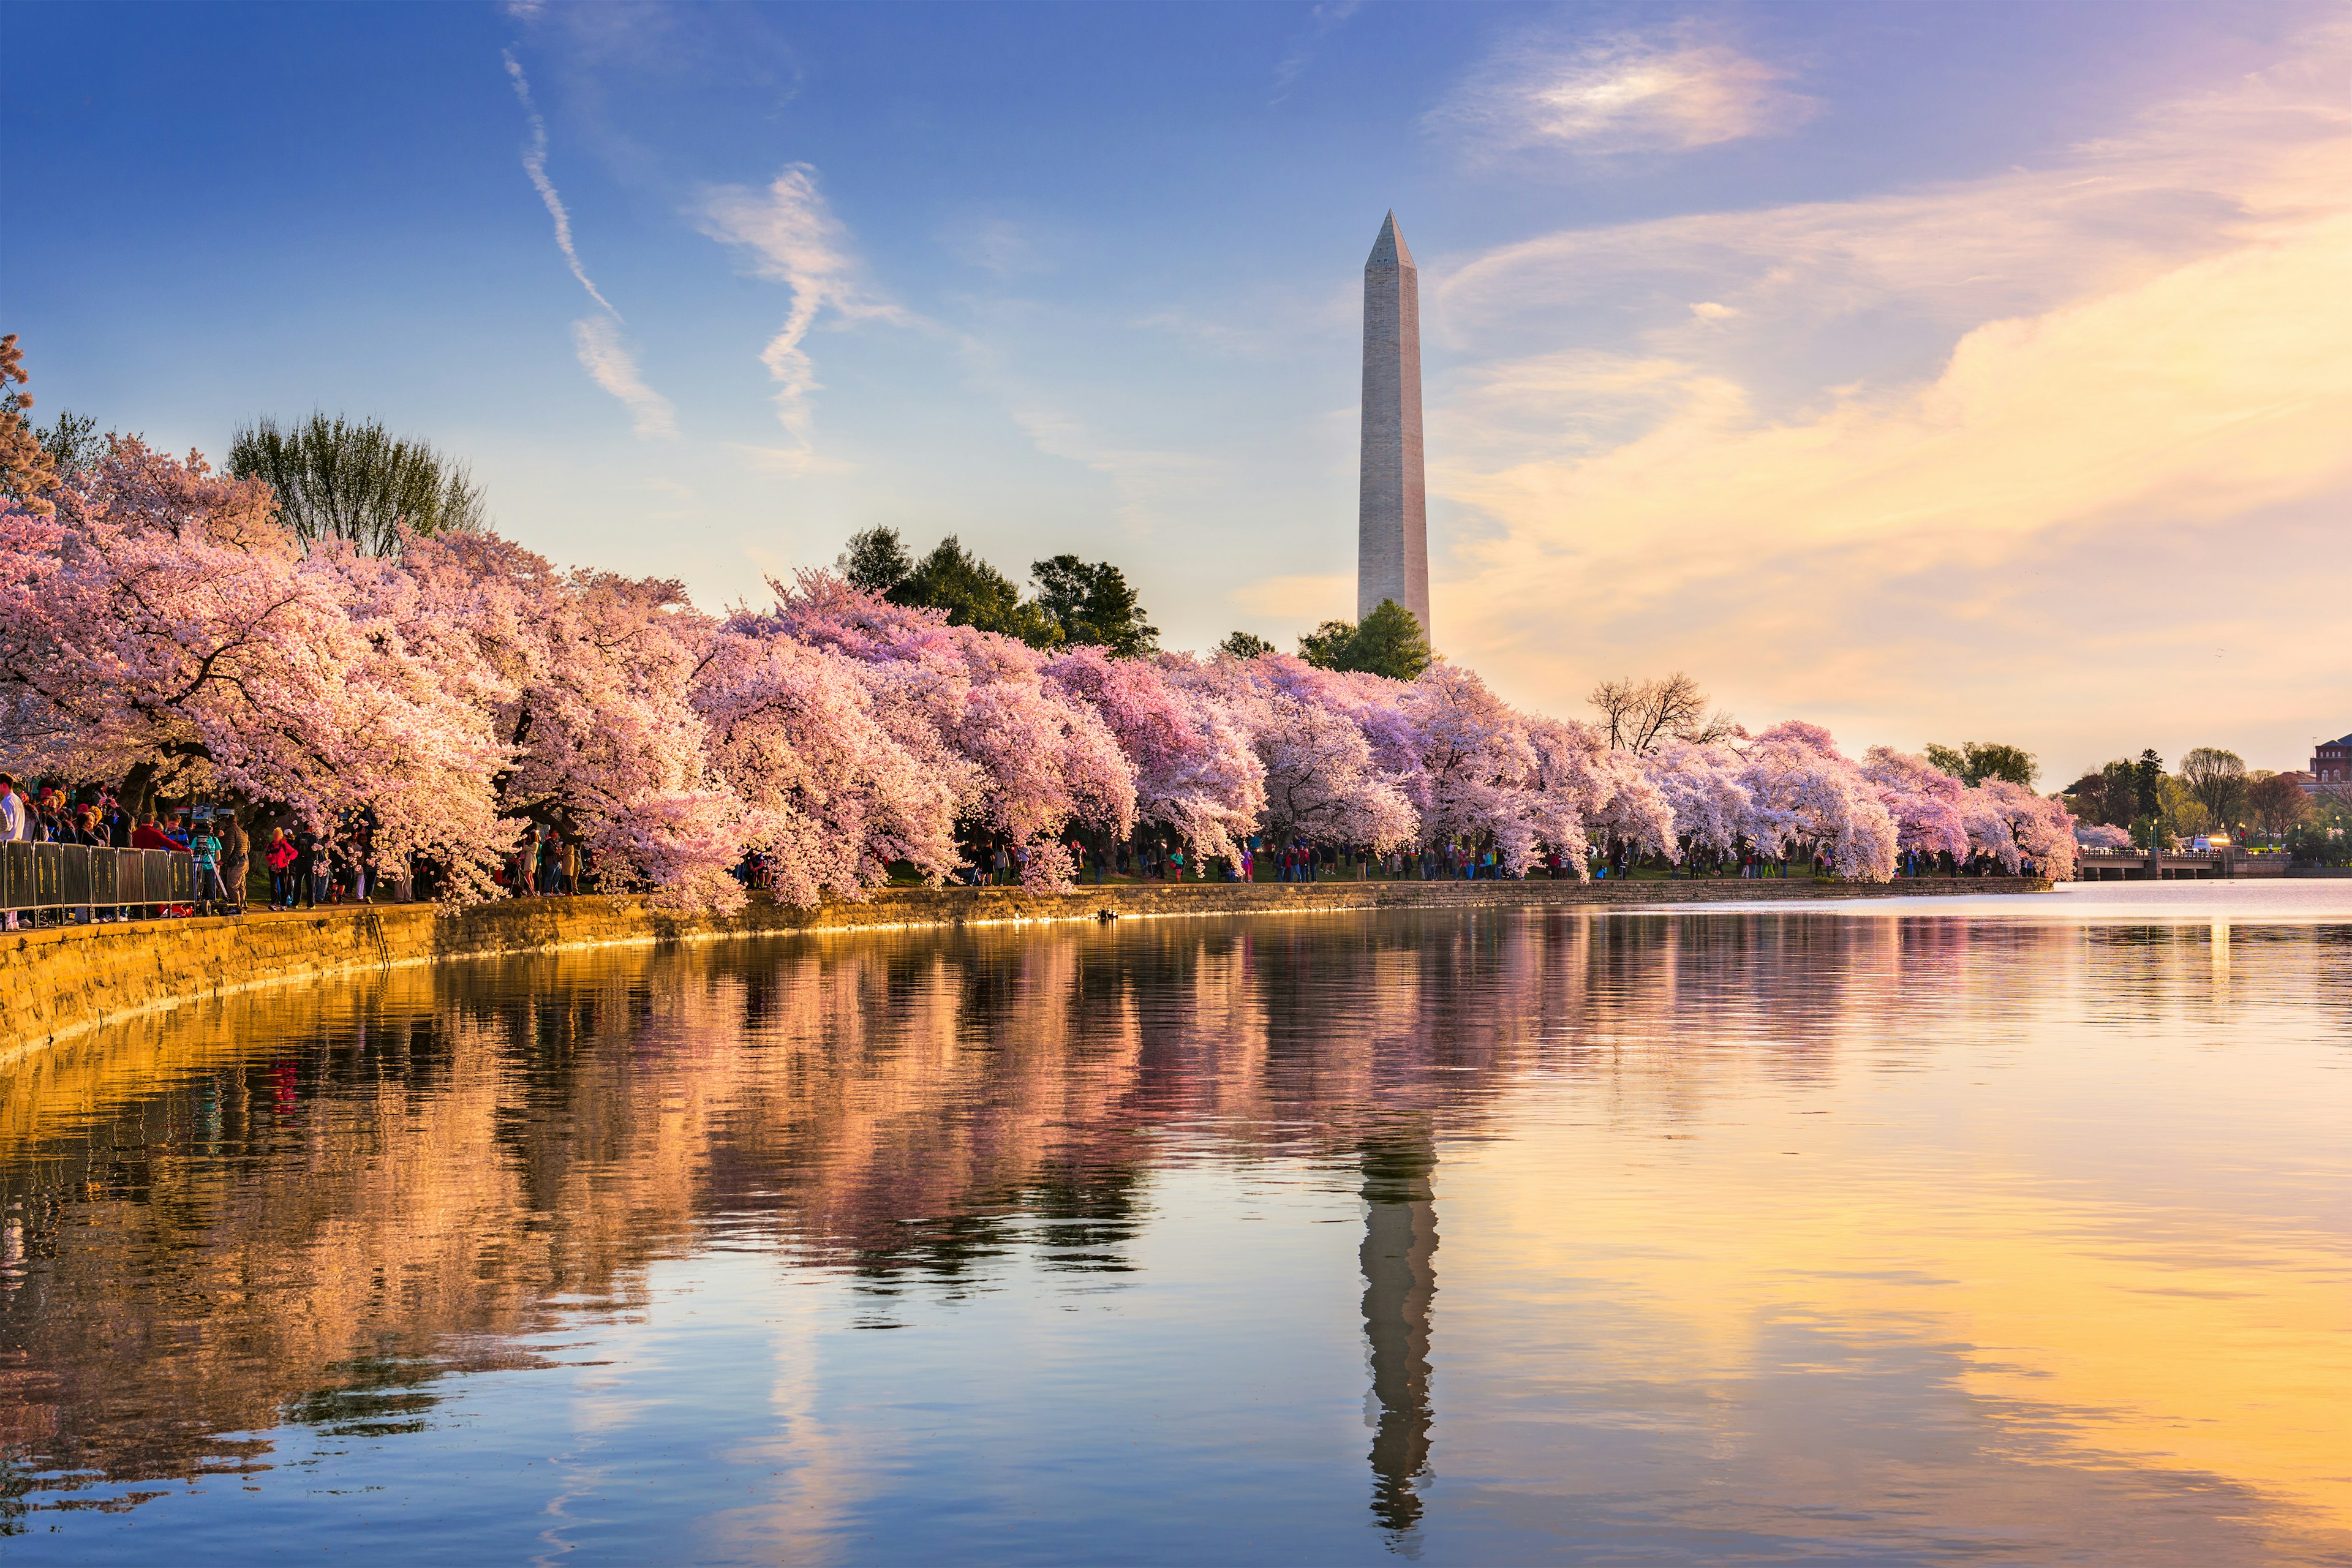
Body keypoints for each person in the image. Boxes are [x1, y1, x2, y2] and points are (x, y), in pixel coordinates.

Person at [266, 827, 297, 908]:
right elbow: (267, 858)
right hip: (273, 867)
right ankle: (273, 903)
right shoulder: (270, 846)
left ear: (281, 836)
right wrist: (269, 856)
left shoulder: (284, 845)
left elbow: (295, 852)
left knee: (284, 886)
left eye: (278, 835)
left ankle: (283, 904)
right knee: (273, 886)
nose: (276, 837)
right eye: (275, 835)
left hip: (283, 866)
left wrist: (288, 859)